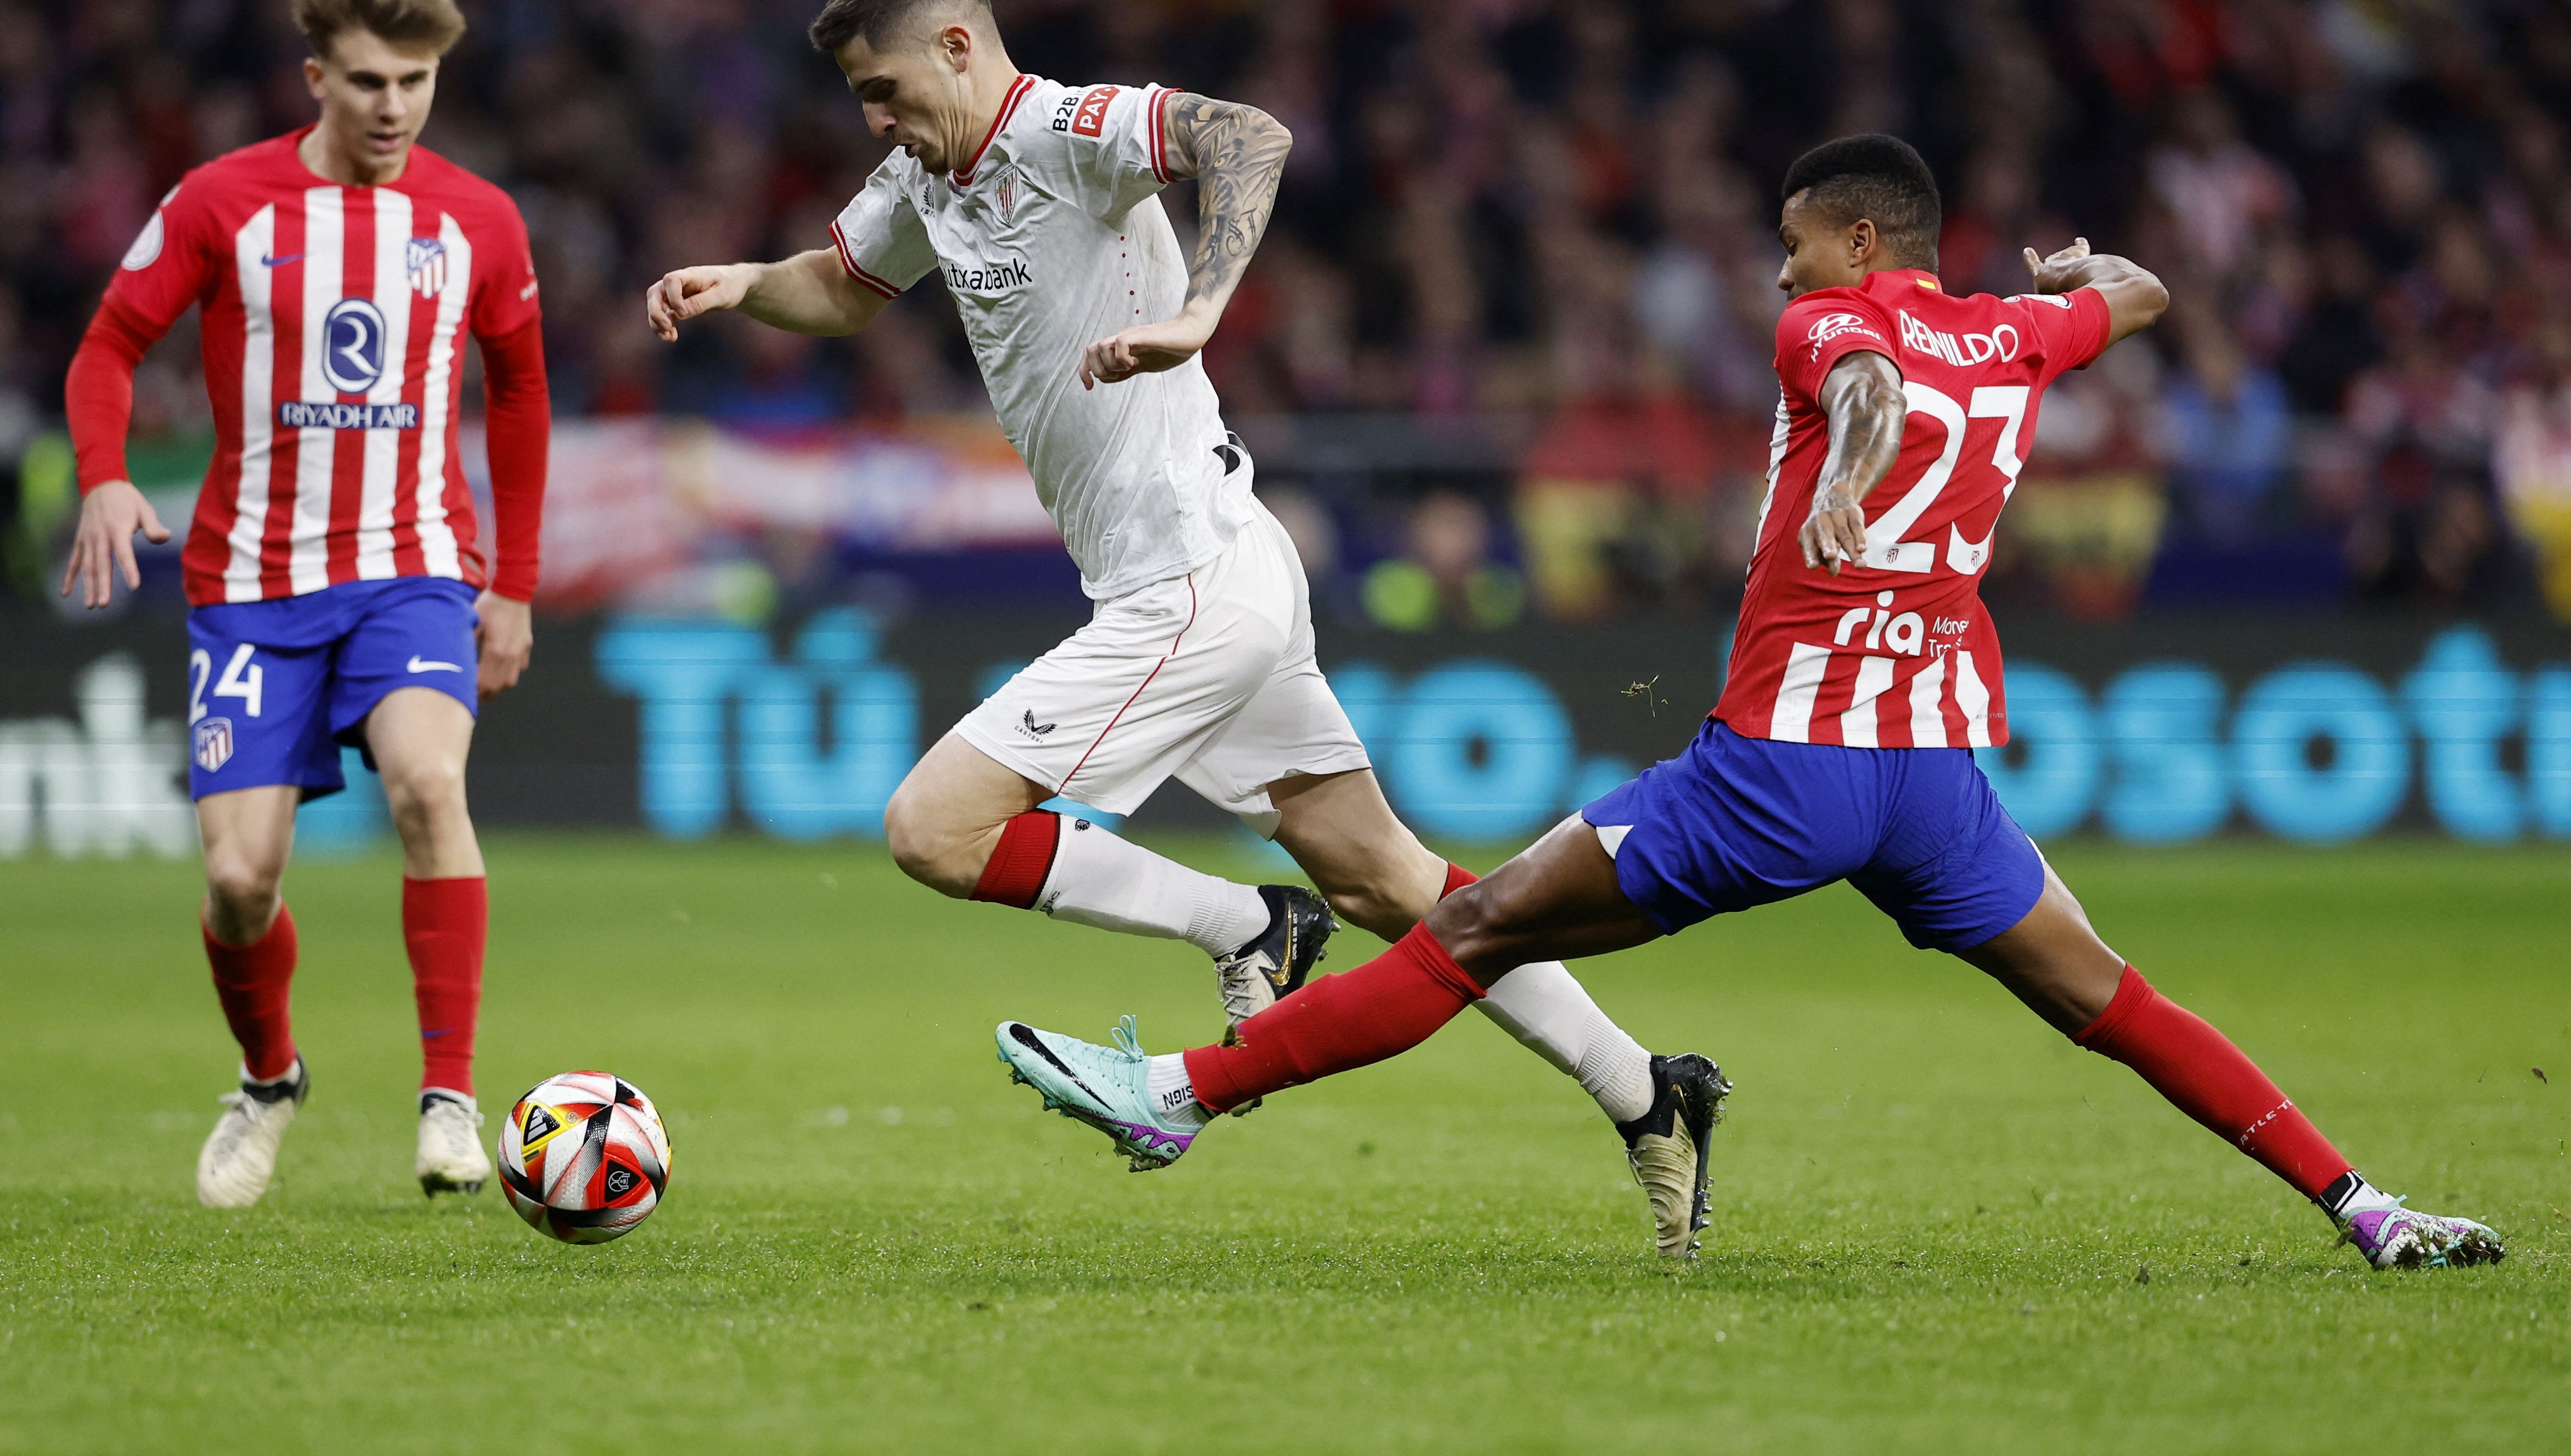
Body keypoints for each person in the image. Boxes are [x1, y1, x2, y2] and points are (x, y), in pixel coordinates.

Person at [996, 134, 2506, 1272]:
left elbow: (1851, 384)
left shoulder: (1821, 329)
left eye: (1793, 246)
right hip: (1935, 779)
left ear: (1856, 239)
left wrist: (1847, 470)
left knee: (1468, 928)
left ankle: (1181, 1094)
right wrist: (2063, 282)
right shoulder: (2012, 333)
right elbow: (2142, 288)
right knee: (2111, 1003)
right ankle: (2361, 1206)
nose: (1776, 276)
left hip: (1781, 769)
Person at [646, 0, 1717, 1251]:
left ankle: (1248, 921)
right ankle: (1647, 1092)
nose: (874, 119)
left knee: (934, 827)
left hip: (1195, 584)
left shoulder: (1070, 129)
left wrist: (1203, 305)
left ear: (959, 48)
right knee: (1390, 877)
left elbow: (1251, 138)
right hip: (1195, 571)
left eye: (882, 89)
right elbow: (844, 290)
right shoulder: (925, 178)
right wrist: (745, 283)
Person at [59, 0, 550, 1207]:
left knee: (430, 784)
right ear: (317, 76)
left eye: (420, 82)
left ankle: (449, 1097)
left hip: (413, 569)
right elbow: (112, 343)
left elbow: (521, 395)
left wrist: (516, 584)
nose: (395, 108)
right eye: (371, 83)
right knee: (238, 883)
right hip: (252, 584)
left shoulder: (479, 219)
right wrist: (106, 473)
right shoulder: (227, 202)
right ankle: (270, 1078)